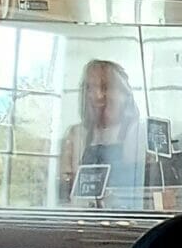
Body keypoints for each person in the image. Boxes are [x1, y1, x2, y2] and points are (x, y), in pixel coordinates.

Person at [58, 58, 144, 206]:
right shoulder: (77, 134)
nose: (97, 96)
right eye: (89, 88)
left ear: (124, 94)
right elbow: (66, 181)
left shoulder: (135, 133)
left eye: (105, 87)